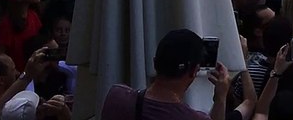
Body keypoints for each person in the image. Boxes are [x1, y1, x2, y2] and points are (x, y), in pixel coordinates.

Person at [99, 29, 232, 120]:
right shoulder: (193, 118)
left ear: (155, 62)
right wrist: (220, 98)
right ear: (194, 71)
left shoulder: (117, 97)